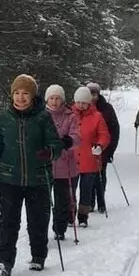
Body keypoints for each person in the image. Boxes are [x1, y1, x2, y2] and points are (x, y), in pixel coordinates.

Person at [0, 74, 64, 276]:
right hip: (9, 178)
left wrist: (50, 152)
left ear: (33, 96)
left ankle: (38, 255)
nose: (20, 97)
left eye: (25, 93)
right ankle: (4, 261)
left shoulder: (44, 117)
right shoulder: (4, 118)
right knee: (8, 221)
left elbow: (56, 144)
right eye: (17, 93)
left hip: (39, 177)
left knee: (38, 219)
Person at [43, 84, 80, 241]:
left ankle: (59, 228)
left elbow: (77, 136)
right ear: (47, 99)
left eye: (57, 98)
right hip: (44, 165)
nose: (54, 101)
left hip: (65, 165)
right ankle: (39, 229)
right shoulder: (41, 115)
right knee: (42, 202)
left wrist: (69, 141)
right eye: (51, 98)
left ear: (62, 100)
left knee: (62, 200)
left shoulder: (70, 116)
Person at [72, 86, 112, 226]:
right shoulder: (69, 115)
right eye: (79, 102)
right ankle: (70, 215)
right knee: (69, 191)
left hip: (90, 159)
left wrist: (100, 146)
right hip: (71, 160)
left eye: (84, 102)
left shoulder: (97, 116)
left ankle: (83, 217)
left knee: (86, 190)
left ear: (89, 102)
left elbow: (104, 135)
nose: (81, 105)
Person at [87, 83, 119, 213]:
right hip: (87, 149)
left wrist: (111, 148)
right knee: (88, 176)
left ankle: (101, 201)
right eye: (90, 94)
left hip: (104, 148)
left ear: (98, 94)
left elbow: (114, 129)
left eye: (94, 94)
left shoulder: (107, 108)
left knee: (100, 175)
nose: (92, 97)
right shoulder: (83, 107)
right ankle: (89, 202)